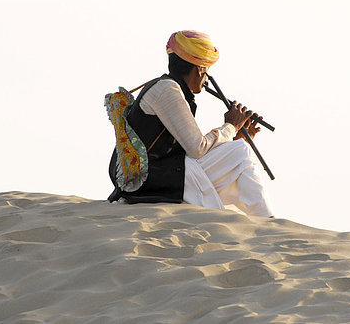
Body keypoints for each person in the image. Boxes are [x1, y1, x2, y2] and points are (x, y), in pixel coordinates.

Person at [108, 30, 273, 217]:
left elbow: (192, 150)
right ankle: (268, 220)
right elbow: (197, 148)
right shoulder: (167, 89)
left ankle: (264, 220)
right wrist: (230, 127)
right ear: (200, 69)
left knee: (239, 150)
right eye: (207, 71)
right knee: (241, 152)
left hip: (164, 173)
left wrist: (236, 137)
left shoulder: (170, 88)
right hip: (149, 179)